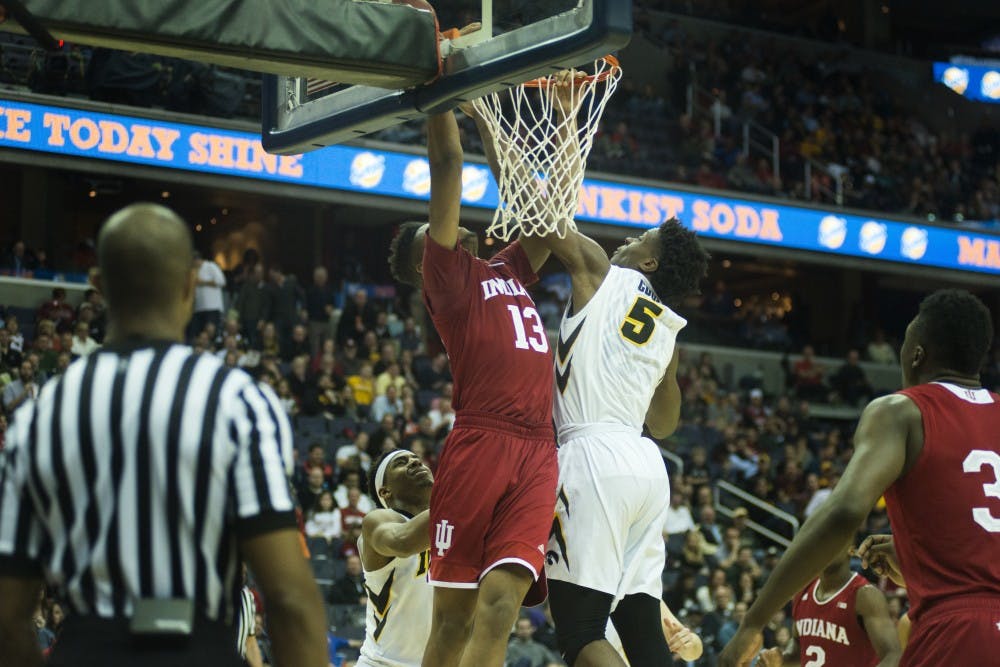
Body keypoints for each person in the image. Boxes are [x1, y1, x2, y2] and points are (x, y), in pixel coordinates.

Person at [0, 203, 328, 667]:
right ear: (192, 286)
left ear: (97, 286)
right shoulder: (237, 402)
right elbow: (290, 600)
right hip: (200, 647)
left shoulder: (39, 415)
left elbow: (8, 616)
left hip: (85, 648)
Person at [721, 289, 1000, 667]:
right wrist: (919, 565)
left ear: (916, 354)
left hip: (957, 636)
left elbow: (845, 512)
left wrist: (754, 621)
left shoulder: (901, 411)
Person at [387, 108, 559, 667]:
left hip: (538, 446)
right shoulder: (447, 279)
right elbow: (446, 163)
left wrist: (534, 122)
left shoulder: (505, 269)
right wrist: (444, 98)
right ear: (425, 262)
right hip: (482, 440)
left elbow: (544, 215)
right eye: (432, 230)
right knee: (455, 620)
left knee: (502, 608)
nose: (450, 224)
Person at [537, 210, 708, 667]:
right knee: (639, 621)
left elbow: (539, 217)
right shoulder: (668, 327)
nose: (630, 239)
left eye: (642, 237)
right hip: (647, 466)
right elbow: (666, 422)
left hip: (594, 456)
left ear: (649, 263)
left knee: (580, 632)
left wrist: (500, 152)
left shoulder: (599, 271)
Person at [356, 448, 434, 667]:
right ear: (385, 492)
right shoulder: (378, 521)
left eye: (417, 459)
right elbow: (403, 542)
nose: (415, 463)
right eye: (401, 462)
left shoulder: (454, 524)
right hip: (381, 664)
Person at [757, 549, 900, 666]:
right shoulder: (803, 590)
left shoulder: (865, 595)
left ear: (851, 547)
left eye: (834, 540)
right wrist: (780, 660)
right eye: (823, 541)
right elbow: (798, 648)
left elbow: (893, 656)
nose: (827, 546)